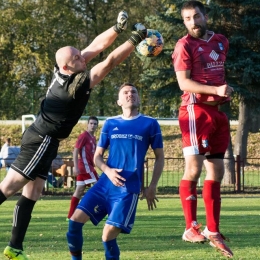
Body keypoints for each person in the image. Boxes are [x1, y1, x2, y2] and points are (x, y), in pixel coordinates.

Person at [0, 10, 149, 260]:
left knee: (33, 193)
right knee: (8, 187)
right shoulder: (75, 85)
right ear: (69, 66)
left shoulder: (66, 69)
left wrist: (117, 27)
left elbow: (94, 46)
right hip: (42, 140)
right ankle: (14, 247)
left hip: (43, 139)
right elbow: (109, 61)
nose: (83, 57)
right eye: (79, 58)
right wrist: (134, 40)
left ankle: (15, 248)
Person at [66, 83, 164, 260]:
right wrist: (107, 171)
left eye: (133, 92)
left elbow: (160, 157)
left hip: (128, 189)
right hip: (104, 184)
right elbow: (97, 157)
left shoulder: (150, 123)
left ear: (139, 98)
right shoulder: (111, 123)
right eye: (125, 92)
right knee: (74, 223)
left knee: (107, 236)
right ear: (119, 101)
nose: (130, 94)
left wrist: (152, 186)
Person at [172, 1, 234, 258]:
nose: (193, 22)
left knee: (216, 172)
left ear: (205, 16)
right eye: (187, 18)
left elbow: (215, 73)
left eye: (196, 16)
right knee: (194, 169)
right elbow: (184, 83)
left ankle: (212, 230)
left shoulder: (221, 41)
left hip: (218, 113)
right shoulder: (183, 45)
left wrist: (222, 91)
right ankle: (189, 227)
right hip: (195, 110)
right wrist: (216, 90)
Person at [67, 116, 99, 220]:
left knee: (79, 190)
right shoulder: (84, 136)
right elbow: (76, 151)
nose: (93, 125)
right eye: (91, 123)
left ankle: (71, 215)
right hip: (85, 167)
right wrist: (75, 167)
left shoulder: (93, 138)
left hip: (87, 167)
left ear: (97, 126)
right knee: (100, 187)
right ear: (87, 124)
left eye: (95, 124)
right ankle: (98, 212)